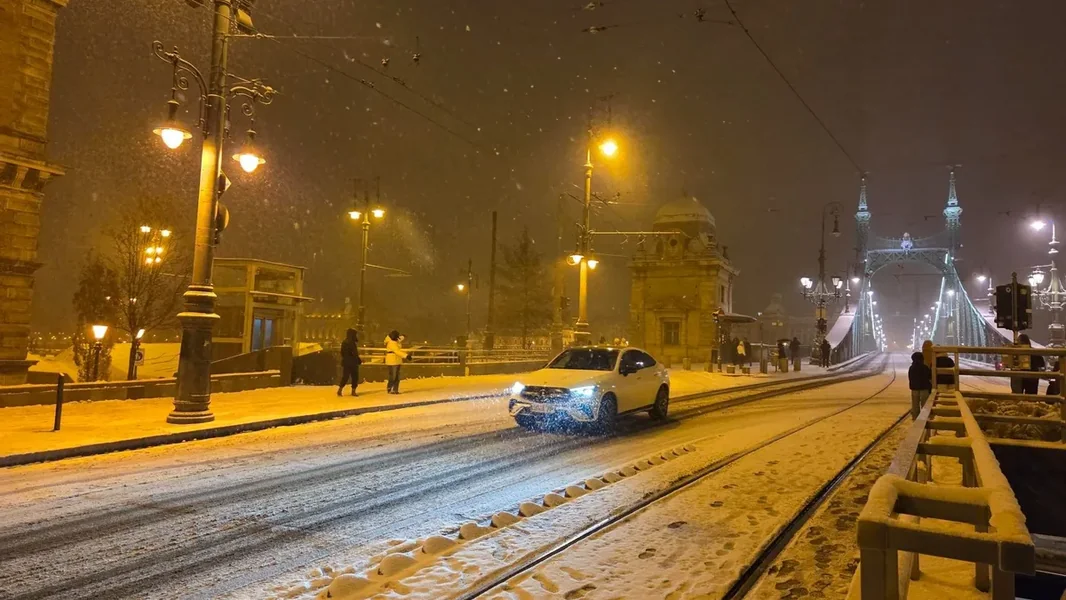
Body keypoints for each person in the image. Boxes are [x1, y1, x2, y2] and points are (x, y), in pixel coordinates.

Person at [908, 352, 932, 419]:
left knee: (915, 405)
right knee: (924, 405)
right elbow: (929, 377)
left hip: (914, 388)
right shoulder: (925, 367)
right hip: (924, 388)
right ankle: (924, 418)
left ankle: (915, 418)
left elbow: (910, 377)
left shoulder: (911, 368)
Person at [337, 328, 361, 396]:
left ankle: (340, 389)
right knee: (355, 377)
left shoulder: (345, 342)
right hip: (353, 362)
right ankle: (353, 391)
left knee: (345, 377)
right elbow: (354, 353)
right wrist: (357, 359)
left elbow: (342, 352)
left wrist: (346, 358)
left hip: (346, 362)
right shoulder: (352, 343)